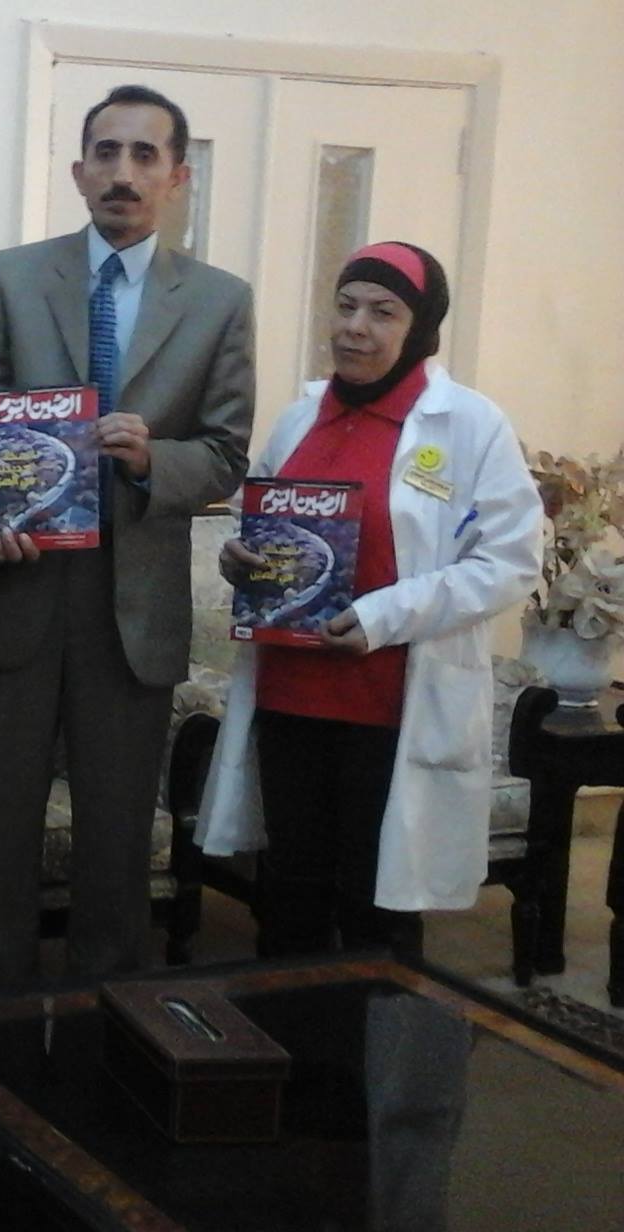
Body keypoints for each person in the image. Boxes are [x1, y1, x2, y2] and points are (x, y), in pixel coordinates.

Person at [0, 84, 254, 988]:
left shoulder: (220, 301)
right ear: (80, 169)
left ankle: (108, 1022)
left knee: (118, 840)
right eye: (107, 153)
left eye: (145, 155)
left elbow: (227, 454)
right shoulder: (10, 277)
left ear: (177, 177)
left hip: (135, 605)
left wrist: (154, 458)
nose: (124, 173)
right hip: (19, 585)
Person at [195, 241, 541, 955]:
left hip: (390, 705)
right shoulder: (300, 418)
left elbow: (509, 562)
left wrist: (385, 615)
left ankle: (377, 1032)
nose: (356, 327)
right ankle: (287, 1026)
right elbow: (259, 520)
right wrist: (240, 558)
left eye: (383, 313)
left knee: (375, 910)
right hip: (290, 697)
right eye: (346, 306)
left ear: (420, 329)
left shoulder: (469, 426)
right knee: (289, 897)